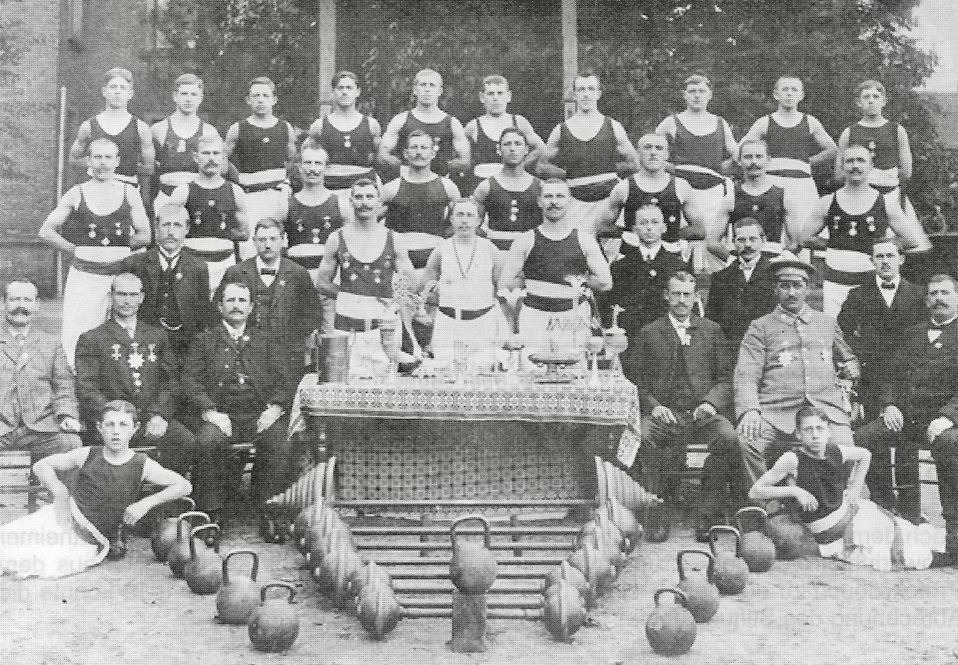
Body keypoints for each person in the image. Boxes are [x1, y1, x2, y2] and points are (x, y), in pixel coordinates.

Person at [0, 400, 191, 579]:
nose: (116, 432)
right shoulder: (88, 454)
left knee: (46, 562)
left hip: (89, 539)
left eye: (123, 425)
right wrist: (60, 493)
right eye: (110, 425)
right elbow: (41, 466)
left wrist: (146, 503)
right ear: (100, 428)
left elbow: (184, 486)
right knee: (8, 544)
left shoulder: (141, 464)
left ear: (135, 429)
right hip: (61, 519)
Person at [624, 271, 747, 543]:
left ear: (696, 297)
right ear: (666, 296)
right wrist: (654, 406)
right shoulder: (649, 333)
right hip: (664, 414)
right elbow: (635, 381)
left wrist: (711, 403)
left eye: (687, 294)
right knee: (643, 436)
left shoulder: (711, 331)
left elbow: (726, 378)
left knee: (728, 437)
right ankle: (658, 509)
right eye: (676, 294)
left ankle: (708, 512)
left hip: (701, 415)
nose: (681, 300)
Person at [751, 406, 948, 570]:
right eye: (808, 430)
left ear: (829, 431)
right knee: (889, 551)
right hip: (830, 533)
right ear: (798, 434)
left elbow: (864, 455)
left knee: (909, 535)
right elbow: (755, 491)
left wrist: (855, 488)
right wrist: (795, 491)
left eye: (820, 429)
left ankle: (945, 553)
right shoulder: (792, 459)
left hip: (852, 516)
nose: (815, 436)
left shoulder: (835, 451)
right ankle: (937, 556)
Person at [735, 252, 860, 485]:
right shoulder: (760, 327)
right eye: (785, 286)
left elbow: (848, 359)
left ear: (808, 289)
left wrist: (852, 370)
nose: (791, 292)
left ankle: (833, 501)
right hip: (776, 411)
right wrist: (750, 410)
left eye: (797, 286)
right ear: (775, 289)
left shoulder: (826, 323)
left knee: (846, 448)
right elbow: (747, 374)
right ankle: (769, 499)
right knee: (747, 441)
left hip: (825, 409)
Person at [182, 282, 295, 519]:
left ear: (251, 307)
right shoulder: (204, 340)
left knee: (279, 442)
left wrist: (275, 409)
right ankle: (211, 513)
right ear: (220, 306)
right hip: (220, 415)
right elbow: (190, 381)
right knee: (207, 442)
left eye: (242, 300)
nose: (236, 306)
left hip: (259, 414)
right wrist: (210, 411)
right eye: (230, 300)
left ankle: (268, 510)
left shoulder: (267, 340)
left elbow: (285, 380)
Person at [854, 274, 958, 530]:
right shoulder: (912, 333)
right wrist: (889, 404)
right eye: (933, 293)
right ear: (926, 300)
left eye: (945, 293)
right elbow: (890, 374)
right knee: (863, 438)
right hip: (908, 418)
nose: (938, 298)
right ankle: (885, 506)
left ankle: (953, 529)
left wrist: (948, 417)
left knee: (948, 443)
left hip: (947, 422)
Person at [39, 138, 152, 369]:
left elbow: (145, 235)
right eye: (97, 157)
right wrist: (76, 250)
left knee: (122, 333)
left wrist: (117, 246)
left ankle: (121, 384)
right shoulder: (76, 192)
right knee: (78, 333)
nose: (103, 163)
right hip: (85, 276)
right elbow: (46, 231)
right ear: (88, 161)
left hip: (118, 275)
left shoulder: (129, 192)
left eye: (108, 157)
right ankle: (77, 381)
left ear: (117, 161)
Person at [75, 273, 196, 475]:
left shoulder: (158, 336)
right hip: (113, 421)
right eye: (121, 294)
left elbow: (171, 382)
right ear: (111, 296)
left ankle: (165, 492)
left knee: (184, 440)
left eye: (133, 295)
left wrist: (159, 415)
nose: (127, 301)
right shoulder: (92, 339)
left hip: (150, 418)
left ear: (141, 298)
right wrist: (114, 417)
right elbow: (86, 387)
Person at [804, 145, 930, 316]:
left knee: (871, 328)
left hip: (870, 282)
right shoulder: (827, 202)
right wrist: (837, 243)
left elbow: (910, 240)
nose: (855, 166)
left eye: (861, 160)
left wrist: (877, 245)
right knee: (835, 329)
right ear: (842, 166)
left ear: (871, 166)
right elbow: (805, 237)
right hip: (835, 281)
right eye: (850, 161)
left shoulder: (885, 203)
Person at [316, 178, 421, 377]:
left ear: (379, 201)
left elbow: (411, 284)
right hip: (347, 329)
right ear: (351, 201)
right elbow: (322, 283)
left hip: (383, 332)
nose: (364, 202)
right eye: (358, 197)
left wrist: (388, 300)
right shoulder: (336, 238)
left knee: (386, 385)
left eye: (369, 197)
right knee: (344, 384)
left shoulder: (394, 239)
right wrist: (353, 296)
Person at [499, 179, 612, 360]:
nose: (554, 202)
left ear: (570, 201)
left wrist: (572, 279)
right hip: (534, 316)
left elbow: (605, 283)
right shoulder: (525, 240)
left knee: (574, 369)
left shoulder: (584, 240)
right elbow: (505, 283)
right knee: (531, 367)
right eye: (548, 196)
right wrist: (537, 282)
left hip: (572, 316)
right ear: (539, 201)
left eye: (560, 196)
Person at [216, 218, 321, 379]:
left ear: (283, 240)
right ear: (254, 241)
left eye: (273, 239)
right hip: (245, 355)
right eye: (262, 240)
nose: (267, 245)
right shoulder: (236, 272)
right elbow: (217, 312)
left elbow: (313, 315)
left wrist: (292, 339)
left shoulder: (299, 274)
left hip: (287, 357)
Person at [655, 74, 737, 271]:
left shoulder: (720, 123)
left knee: (711, 240)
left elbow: (737, 155)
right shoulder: (671, 122)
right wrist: (673, 169)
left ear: (710, 94)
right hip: (681, 190)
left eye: (701, 91)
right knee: (684, 241)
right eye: (692, 91)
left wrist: (716, 168)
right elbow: (651, 150)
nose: (697, 96)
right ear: (684, 95)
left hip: (712, 192)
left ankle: (714, 282)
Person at [837, 239, 925, 421]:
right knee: (871, 429)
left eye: (890, 256)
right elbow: (841, 333)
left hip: (909, 375)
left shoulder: (919, 295)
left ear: (901, 259)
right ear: (872, 261)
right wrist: (853, 359)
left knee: (910, 430)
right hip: (871, 374)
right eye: (879, 256)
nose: (885, 261)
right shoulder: (858, 295)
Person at [739, 75, 837, 236]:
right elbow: (742, 148)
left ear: (801, 95)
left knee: (803, 230)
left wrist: (805, 162)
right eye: (785, 89)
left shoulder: (810, 121)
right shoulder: (765, 122)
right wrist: (762, 162)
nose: (789, 93)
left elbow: (832, 150)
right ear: (776, 94)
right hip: (772, 181)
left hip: (802, 185)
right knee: (771, 230)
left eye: (794, 90)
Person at [539, 73, 638, 230]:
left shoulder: (613, 126)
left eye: (591, 89)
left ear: (598, 94)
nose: (586, 94)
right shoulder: (561, 130)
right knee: (577, 243)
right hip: (576, 203)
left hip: (609, 201)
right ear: (574, 94)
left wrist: (608, 170)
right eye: (581, 89)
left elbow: (634, 163)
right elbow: (542, 166)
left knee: (610, 244)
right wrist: (569, 175)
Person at [121, 204, 214, 369]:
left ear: (187, 229)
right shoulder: (136, 264)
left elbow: (203, 315)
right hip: (145, 345)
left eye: (177, 225)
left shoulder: (198, 267)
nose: (171, 232)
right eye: (166, 225)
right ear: (156, 227)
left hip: (185, 346)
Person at [0, 279, 82, 464]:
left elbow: (64, 386)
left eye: (27, 300)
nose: (21, 306)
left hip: (41, 430)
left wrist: (67, 415)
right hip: (2, 428)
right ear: (4, 303)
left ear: (37, 305)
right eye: (14, 299)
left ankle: (52, 485)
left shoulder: (51, 343)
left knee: (71, 444)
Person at [275, 144, 352, 333]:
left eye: (318, 163)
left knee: (332, 337)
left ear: (327, 168)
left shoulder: (341, 204)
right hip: (296, 282)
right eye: (307, 163)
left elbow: (353, 247)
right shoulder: (286, 205)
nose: (312, 169)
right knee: (295, 337)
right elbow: (272, 244)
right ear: (299, 167)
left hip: (330, 281)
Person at [587, 133, 705, 251]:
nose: (653, 152)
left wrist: (667, 235)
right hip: (634, 255)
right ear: (638, 153)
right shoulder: (623, 187)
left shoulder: (681, 186)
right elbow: (602, 228)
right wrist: (631, 234)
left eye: (659, 148)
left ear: (666, 154)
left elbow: (699, 230)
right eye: (647, 147)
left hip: (670, 254)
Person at [421, 199, 503, 369]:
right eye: (459, 215)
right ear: (451, 219)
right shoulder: (441, 249)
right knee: (445, 373)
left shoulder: (490, 249)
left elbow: (501, 289)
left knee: (482, 373)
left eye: (469, 215)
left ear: (479, 220)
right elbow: (424, 289)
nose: (464, 221)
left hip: (482, 324)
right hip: (448, 325)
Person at [224, 77, 297, 257]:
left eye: (265, 95)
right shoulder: (238, 128)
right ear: (248, 100)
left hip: (277, 195)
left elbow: (292, 160)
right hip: (250, 196)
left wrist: (285, 183)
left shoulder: (285, 128)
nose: (261, 100)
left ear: (274, 99)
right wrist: (238, 178)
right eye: (256, 96)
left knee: (278, 243)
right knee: (251, 245)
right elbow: (222, 159)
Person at [168, 135, 251, 291]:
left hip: (225, 263)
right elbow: (169, 231)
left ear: (223, 157)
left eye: (216, 153)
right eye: (206, 153)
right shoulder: (183, 191)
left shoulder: (235, 191)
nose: (211, 158)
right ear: (195, 157)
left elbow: (244, 233)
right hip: (192, 264)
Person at [598, 204, 692, 337]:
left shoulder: (678, 266)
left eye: (655, 222)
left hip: (667, 337)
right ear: (634, 229)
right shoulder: (620, 267)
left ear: (664, 228)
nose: (649, 228)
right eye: (643, 223)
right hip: (631, 336)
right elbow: (608, 306)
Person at [68, 67, 155, 197]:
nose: (117, 92)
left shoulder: (141, 128)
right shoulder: (88, 126)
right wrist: (99, 166)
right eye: (113, 87)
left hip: (126, 190)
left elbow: (149, 168)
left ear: (130, 94)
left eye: (122, 88)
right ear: (104, 91)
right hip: (96, 190)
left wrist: (125, 168)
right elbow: (73, 160)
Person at [382, 129, 462, 269]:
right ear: (405, 154)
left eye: (424, 148)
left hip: (435, 256)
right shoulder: (391, 188)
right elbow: (371, 221)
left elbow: (460, 219)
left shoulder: (448, 186)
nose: (419, 152)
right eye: (414, 147)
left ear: (433, 154)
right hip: (400, 257)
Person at [712, 139, 799, 260]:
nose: (753, 162)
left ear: (768, 160)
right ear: (739, 161)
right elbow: (712, 242)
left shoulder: (783, 196)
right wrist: (733, 261)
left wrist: (778, 261)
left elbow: (796, 242)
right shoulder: (731, 198)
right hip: (742, 261)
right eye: (748, 157)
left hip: (772, 260)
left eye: (759, 157)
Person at [378, 68, 471, 180]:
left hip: (439, 183)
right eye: (423, 85)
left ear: (440, 91)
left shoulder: (452, 123)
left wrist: (440, 169)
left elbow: (465, 161)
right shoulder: (400, 120)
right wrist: (404, 168)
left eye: (432, 85)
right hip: (407, 181)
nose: (427, 89)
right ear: (415, 90)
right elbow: (382, 156)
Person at [463, 75, 544, 192]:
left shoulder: (519, 122)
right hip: (482, 185)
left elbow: (541, 148)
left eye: (500, 93)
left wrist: (521, 165)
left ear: (508, 96)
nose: (495, 98)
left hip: (513, 184)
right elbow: (461, 159)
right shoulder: (473, 126)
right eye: (490, 94)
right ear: (482, 97)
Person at [151, 74, 222, 208]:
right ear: (175, 96)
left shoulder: (209, 131)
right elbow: (149, 170)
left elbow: (219, 169)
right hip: (167, 197)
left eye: (193, 94)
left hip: (198, 198)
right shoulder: (159, 129)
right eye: (184, 94)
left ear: (200, 98)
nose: (188, 99)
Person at [706, 218, 779, 348]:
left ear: (763, 241)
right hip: (731, 347)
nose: (748, 245)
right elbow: (712, 321)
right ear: (734, 242)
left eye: (753, 239)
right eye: (741, 240)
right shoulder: (720, 278)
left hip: (767, 345)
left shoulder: (776, 276)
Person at [306, 71, 382, 192]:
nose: (344, 92)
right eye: (340, 88)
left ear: (358, 92)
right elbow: (307, 158)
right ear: (333, 92)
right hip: (330, 188)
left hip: (362, 189)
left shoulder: (371, 125)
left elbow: (379, 158)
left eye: (349, 88)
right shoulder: (319, 126)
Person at [471, 127, 543, 250]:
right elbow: (473, 224)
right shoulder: (486, 187)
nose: (512, 149)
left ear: (526, 149)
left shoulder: (540, 187)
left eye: (518, 144)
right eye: (507, 144)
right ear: (499, 149)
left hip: (530, 250)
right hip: (496, 249)